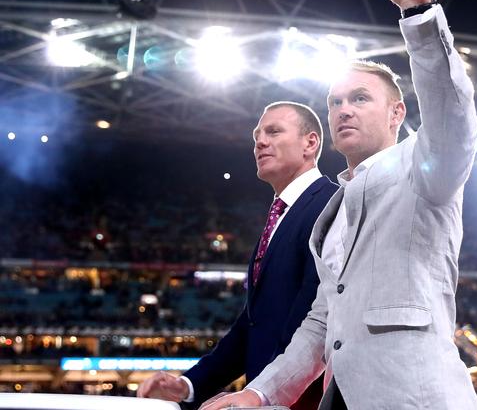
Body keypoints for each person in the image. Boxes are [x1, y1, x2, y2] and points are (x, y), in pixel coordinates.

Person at [200, 0, 477, 409]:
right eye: (335, 102)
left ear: (397, 114)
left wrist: (417, 15)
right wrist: (260, 394)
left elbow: (452, 114)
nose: (343, 109)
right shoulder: (334, 208)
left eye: (360, 99)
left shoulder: (426, 169)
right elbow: (321, 322)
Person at [137, 102, 338, 409]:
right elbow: (251, 326)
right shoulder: (281, 214)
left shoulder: (330, 205)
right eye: (257, 134)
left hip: (298, 400)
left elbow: (314, 320)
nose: (259, 141)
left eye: (273, 131)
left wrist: (259, 394)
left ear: (310, 143)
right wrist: (189, 385)